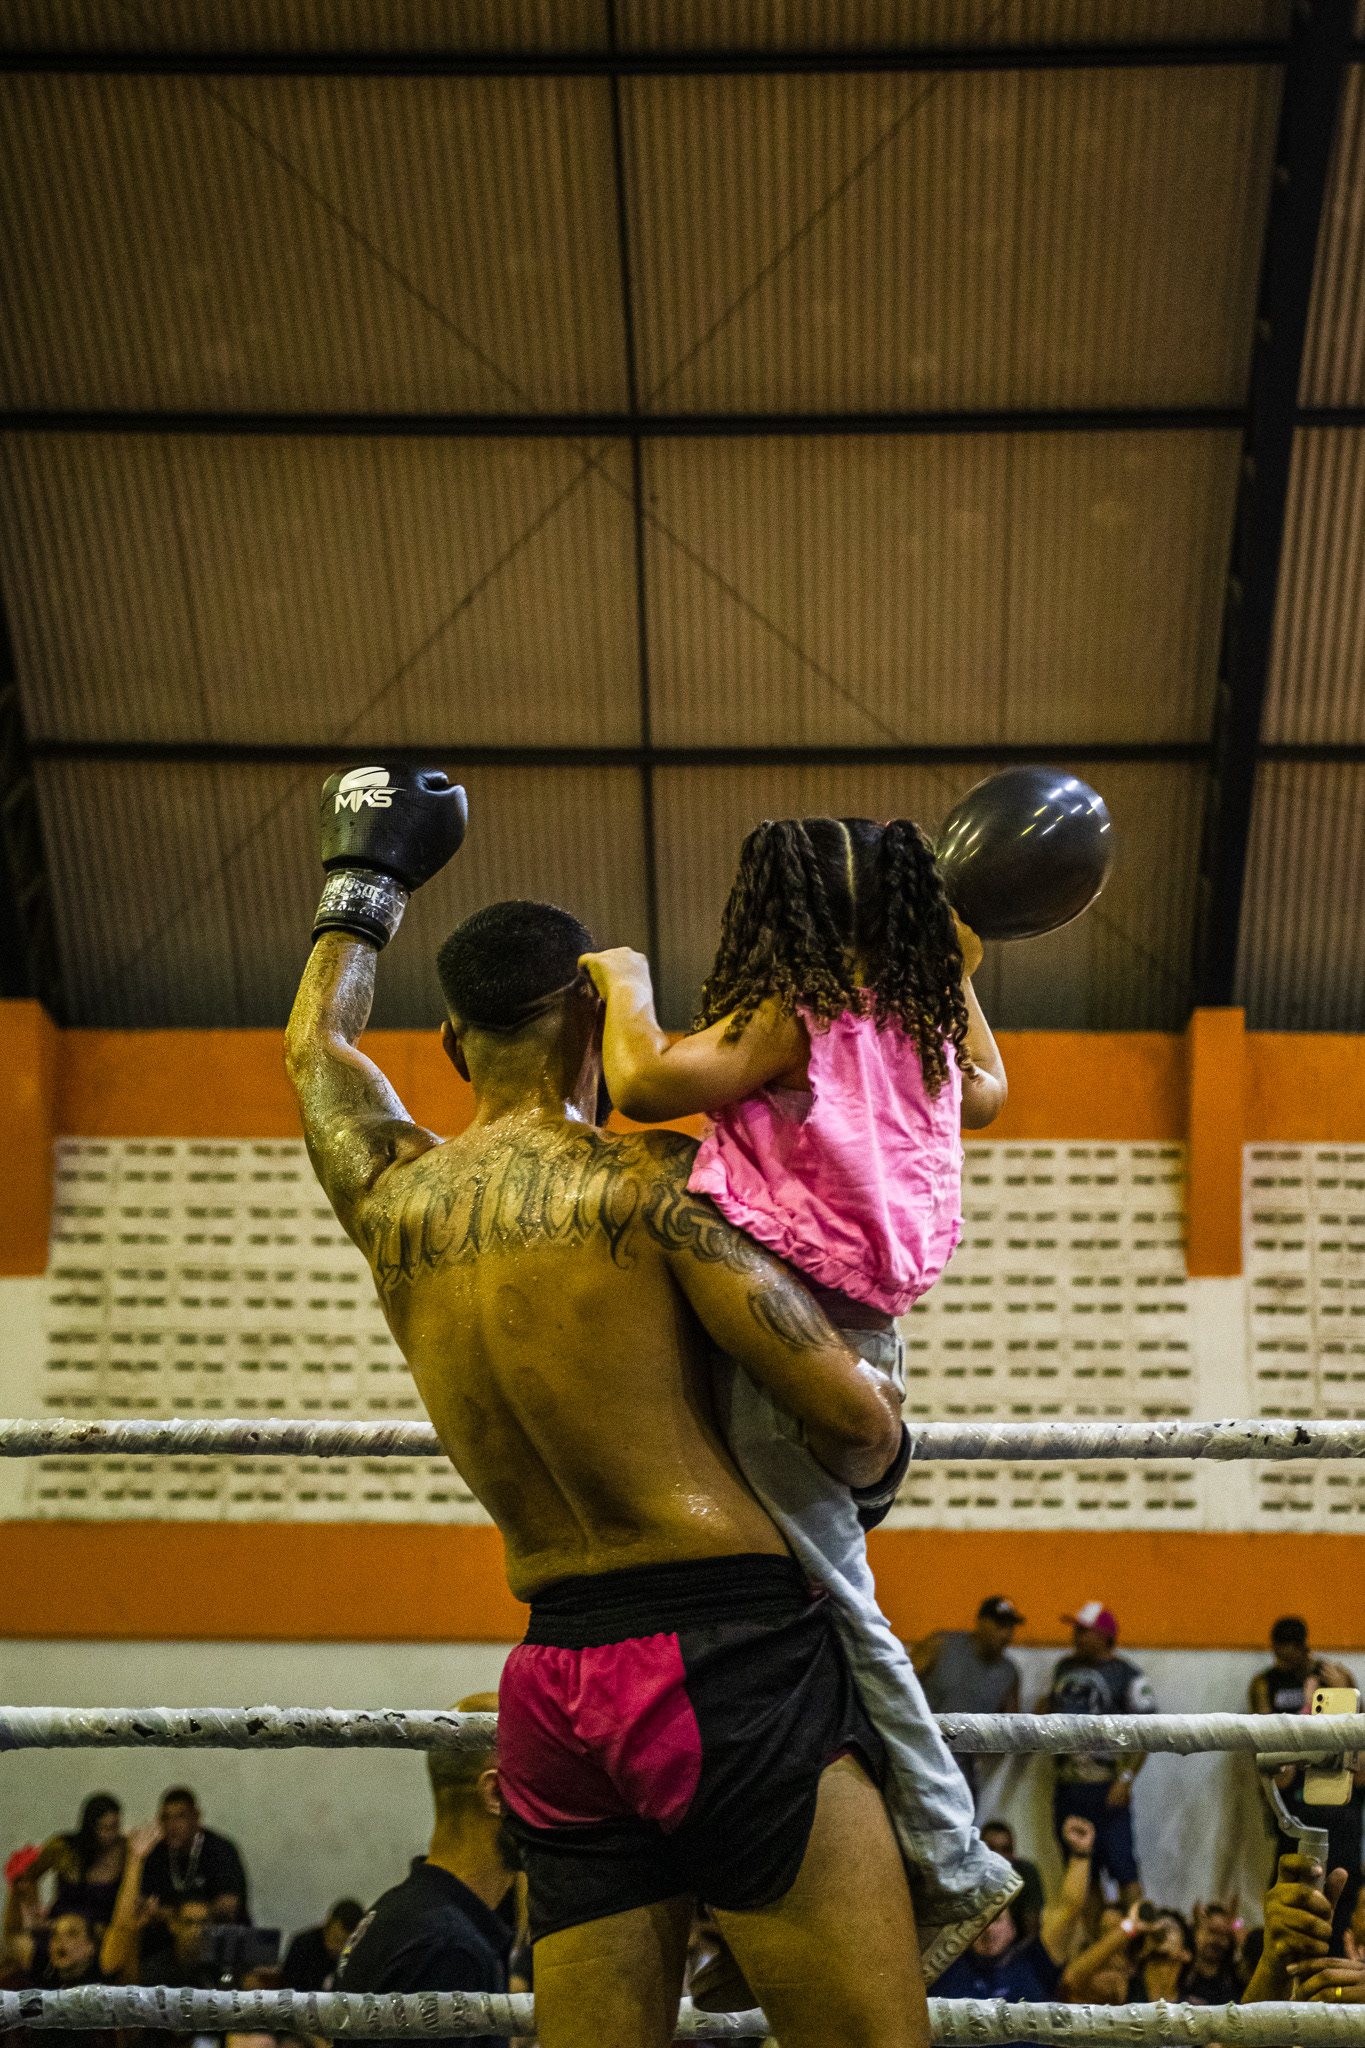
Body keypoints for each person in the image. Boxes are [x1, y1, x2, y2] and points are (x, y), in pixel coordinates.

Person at [286, 788, 935, 2048]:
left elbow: (316, 1054)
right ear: (592, 1011)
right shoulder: (659, 1189)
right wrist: (884, 1427)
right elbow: (854, 1426)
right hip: (726, 1662)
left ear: (454, 1042)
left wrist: (359, 876)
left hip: (551, 1682)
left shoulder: (394, 1200)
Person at [581, 816, 1007, 1362]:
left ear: (779, 917)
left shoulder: (799, 1019)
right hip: (868, 1331)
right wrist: (958, 978)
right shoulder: (919, 1028)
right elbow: (988, 1095)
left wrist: (627, 982)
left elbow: (645, 1085)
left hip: (783, 1323)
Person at [337, 1693, 515, 2048]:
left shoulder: (405, 1911)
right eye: (545, 1784)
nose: (558, 1804)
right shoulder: (449, 1949)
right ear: (496, 1792)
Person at [1249, 1616, 1364, 1942]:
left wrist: (1346, 1694)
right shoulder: (1265, 1683)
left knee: (1342, 1912)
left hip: (1340, 1811)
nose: (1284, 1657)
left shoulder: (1331, 1677)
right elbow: (1275, 1762)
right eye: (1278, 1650)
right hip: (1297, 1810)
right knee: (1293, 1913)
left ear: (1303, 1646)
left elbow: (1360, 1772)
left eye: (1291, 1649)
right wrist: (1304, 1711)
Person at [1037, 1601, 1155, 1906]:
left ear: (1103, 1635)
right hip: (1067, 1785)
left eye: (1082, 1630)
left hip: (1106, 1786)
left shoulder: (1128, 1676)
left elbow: (1148, 1732)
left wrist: (1126, 1779)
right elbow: (1054, 1706)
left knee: (1123, 1870)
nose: (1074, 1636)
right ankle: (1092, 1943)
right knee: (1080, 1870)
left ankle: (1137, 1942)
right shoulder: (1065, 1668)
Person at [934, 1814, 1095, 2006]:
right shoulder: (943, 1966)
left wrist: (1080, 1854)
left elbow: (1070, 1909)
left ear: (1012, 1928)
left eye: (997, 1920)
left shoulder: (1034, 1962)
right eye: (979, 1920)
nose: (989, 1930)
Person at [914, 1599, 1024, 1800]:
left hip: (962, 1766)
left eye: (1011, 1628)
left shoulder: (1008, 1673)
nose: (1006, 1634)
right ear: (981, 1622)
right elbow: (899, 1691)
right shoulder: (940, 1645)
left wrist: (981, 1762)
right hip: (921, 1750)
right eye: (1000, 1626)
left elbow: (1010, 1729)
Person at [139, 1787, 248, 1923]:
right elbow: (143, 1906)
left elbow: (228, 1908)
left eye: (180, 1817)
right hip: (171, 1938)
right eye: (166, 1818)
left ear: (196, 1817)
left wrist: (176, 1912)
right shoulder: (156, 1854)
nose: (172, 1825)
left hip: (221, 1938)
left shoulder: (219, 1849)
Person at [31, 1795, 126, 1933]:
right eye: (105, 1828)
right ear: (91, 1827)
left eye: (115, 1827)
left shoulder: (126, 1850)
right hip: (59, 1927)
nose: (111, 1835)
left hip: (100, 1932)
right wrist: (35, 1913)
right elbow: (29, 1877)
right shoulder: (64, 1848)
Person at [280, 1897, 366, 1991]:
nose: (338, 1947)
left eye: (346, 1943)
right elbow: (291, 1985)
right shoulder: (303, 1945)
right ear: (328, 1922)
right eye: (336, 1939)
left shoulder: (356, 1952)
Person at [979, 1821, 1043, 1946]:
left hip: (1016, 1953)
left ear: (1013, 1852)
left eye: (1005, 1850)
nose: (999, 1857)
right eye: (991, 1850)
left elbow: (1032, 1932)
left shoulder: (1026, 1873)